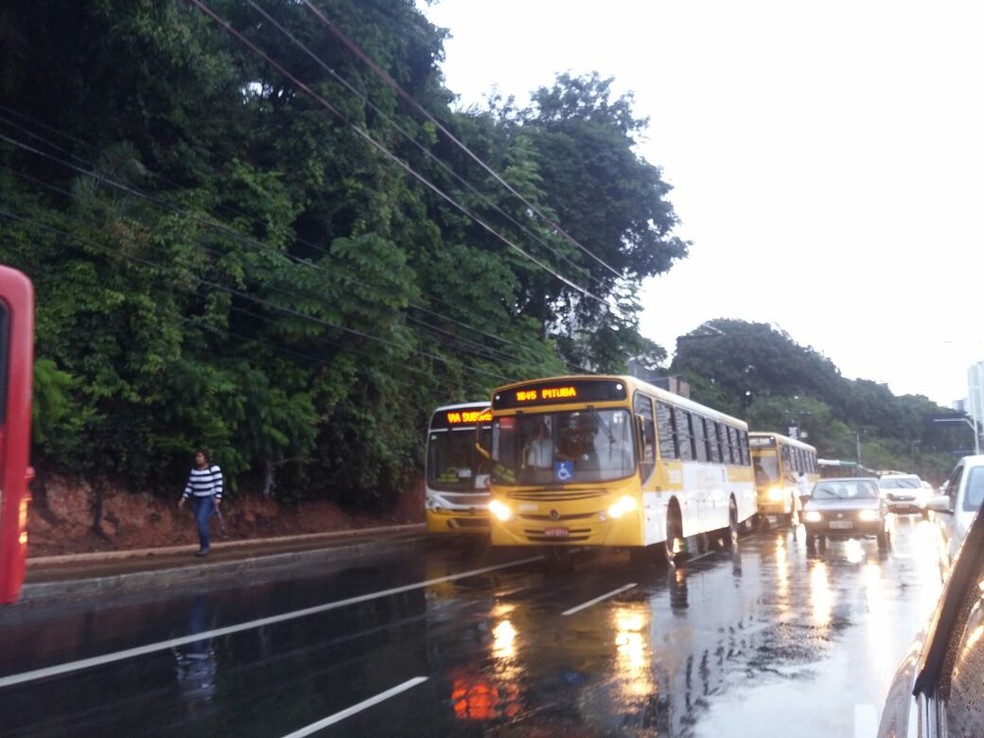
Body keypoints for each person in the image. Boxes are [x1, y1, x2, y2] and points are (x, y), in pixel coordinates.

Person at [178, 449, 223, 557]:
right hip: (197, 499)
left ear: (205, 457)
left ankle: (205, 547)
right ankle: (203, 545)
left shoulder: (214, 469)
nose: (197, 459)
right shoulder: (194, 470)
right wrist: (184, 498)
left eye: (200, 456)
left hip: (208, 499)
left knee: (201, 520)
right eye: (197, 457)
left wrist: (218, 497)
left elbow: (219, 483)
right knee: (200, 522)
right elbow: (190, 485)